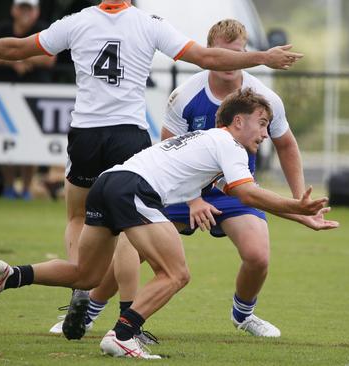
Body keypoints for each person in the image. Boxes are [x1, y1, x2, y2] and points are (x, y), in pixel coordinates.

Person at [0, 0, 302, 341]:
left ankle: (75, 288)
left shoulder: (76, 21)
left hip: (85, 135)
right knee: (137, 239)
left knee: (79, 219)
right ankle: (128, 321)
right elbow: (204, 57)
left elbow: (20, 49)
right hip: (127, 135)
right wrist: (264, 57)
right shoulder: (148, 24)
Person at [0, 89, 339, 359]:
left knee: (85, 274)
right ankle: (122, 335)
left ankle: (10, 275)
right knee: (176, 274)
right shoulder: (229, 144)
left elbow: (242, 192)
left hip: (109, 182)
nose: (264, 132)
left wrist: (302, 217)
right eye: (261, 123)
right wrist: (296, 204)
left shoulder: (208, 140)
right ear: (237, 121)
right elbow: (248, 193)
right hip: (134, 189)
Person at [56, 19, 306, 340]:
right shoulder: (186, 95)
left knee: (258, 255)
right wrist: (193, 198)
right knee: (133, 251)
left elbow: (286, 145)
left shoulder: (263, 98)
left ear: (246, 53)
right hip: (179, 191)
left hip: (234, 188)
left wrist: (301, 200)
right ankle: (89, 311)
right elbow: (166, 149)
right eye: (222, 53)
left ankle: (243, 315)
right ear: (211, 53)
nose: (230, 61)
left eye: (238, 53)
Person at [0, 0, 56, 200]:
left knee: (29, 142)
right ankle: (8, 186)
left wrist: (18, 57)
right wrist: (15, 60)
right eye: (22, 7)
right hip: (5, 95)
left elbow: (49, 59)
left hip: (34, 93)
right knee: (4, 141)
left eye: (29, 8)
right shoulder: (3, 28)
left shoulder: (43, 29)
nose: (25, 12)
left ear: (36, 11)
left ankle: (25, 188)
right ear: (14, 9)